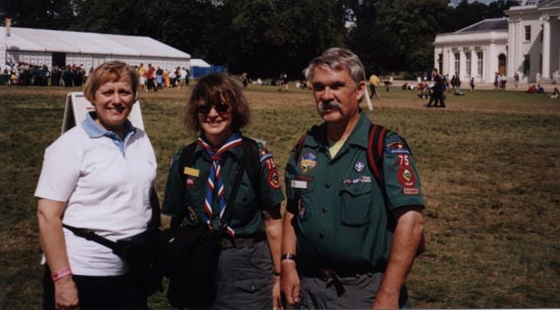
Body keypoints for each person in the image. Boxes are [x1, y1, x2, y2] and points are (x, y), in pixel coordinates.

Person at [281, 48, 425, 309]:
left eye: (336, 86)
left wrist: (389, 292)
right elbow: (293, 210)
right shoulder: (305, 146)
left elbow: (411, 222)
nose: (326, 96)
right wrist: (288, 262)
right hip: (310, 289)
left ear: (359, 90)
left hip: (365, 291)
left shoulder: (385, 146)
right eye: (319, 87)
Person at [35, 61, 158, 310]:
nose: (116, 100)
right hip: (84, 275)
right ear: (92, 97)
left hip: (132, 273)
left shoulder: (141, 139)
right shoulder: (69, 146)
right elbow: (47, 216)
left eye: (124, 92)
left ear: (134, 97)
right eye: (107, 92)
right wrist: (63, 280)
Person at [162, 73, 284, 310]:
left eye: (221, 106)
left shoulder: (256, 157)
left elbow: (272, 221)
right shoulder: (184, 158)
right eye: (204, 108)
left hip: (246, 266)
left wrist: (279, 276)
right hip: (196, 261)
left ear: (235, 108)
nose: (212, 114)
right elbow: (176, 218)